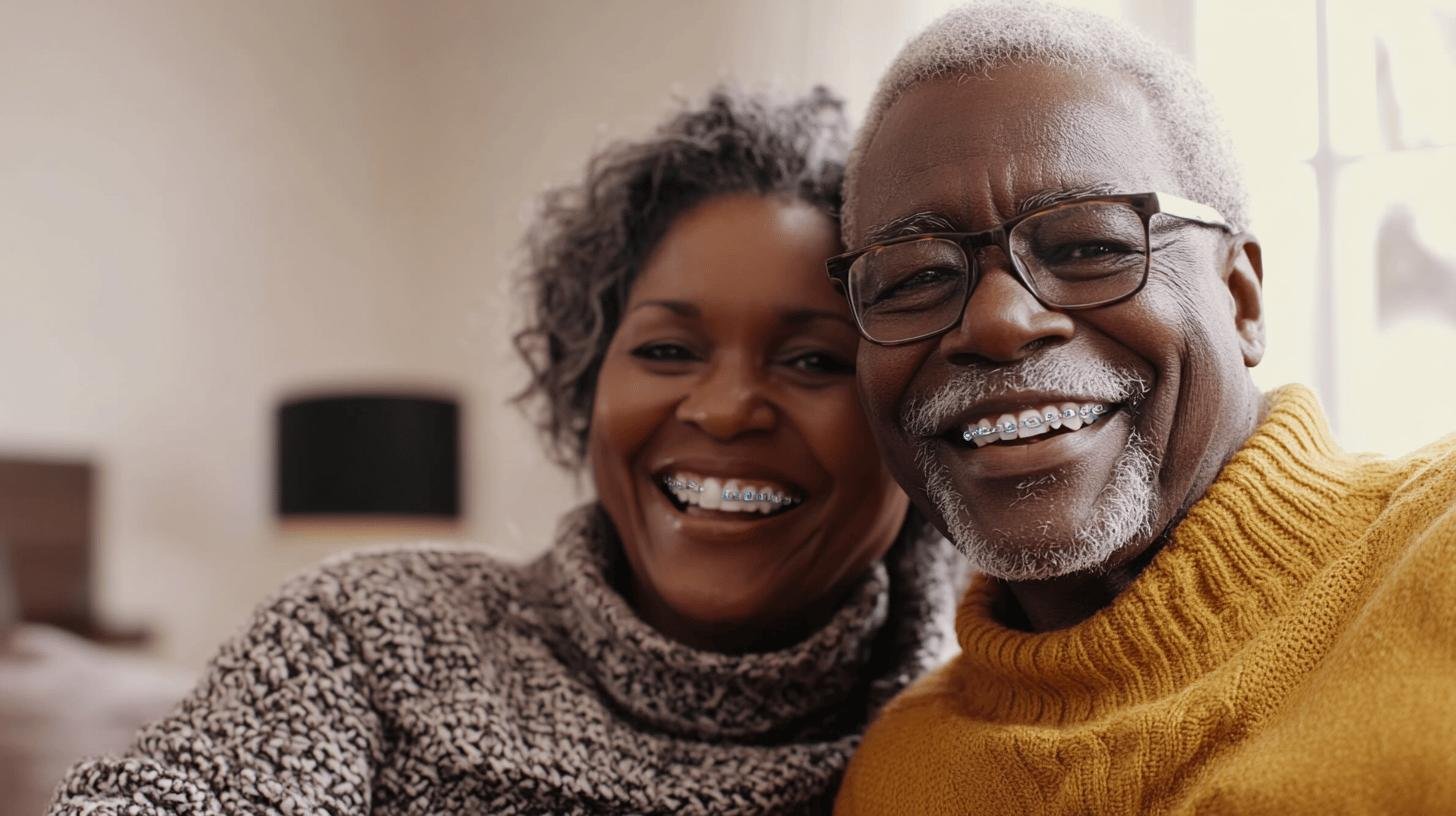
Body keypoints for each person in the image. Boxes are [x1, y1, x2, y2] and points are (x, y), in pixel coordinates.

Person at [48, 89, 963, 815]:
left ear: (911, 412)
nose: (724, 410)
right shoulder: (367, 632)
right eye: (666, 350)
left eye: (812, 360)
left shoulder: (974, 735)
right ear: (585, 382)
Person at [828, 2, 1456, 813]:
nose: (997, 321)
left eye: (1090, 246)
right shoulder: (899, 780)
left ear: (1241, 298)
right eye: (913, 276)